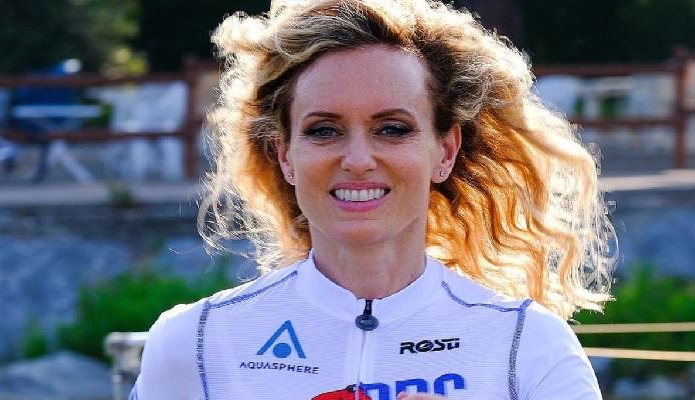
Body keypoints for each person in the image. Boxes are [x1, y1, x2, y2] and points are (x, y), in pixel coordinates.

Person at [130, 0, 617, 399]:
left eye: (392, 129)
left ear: (445, 151)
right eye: (324, 130)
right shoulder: (195, 343)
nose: (358, 160)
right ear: (285, 155)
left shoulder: (527, 346)